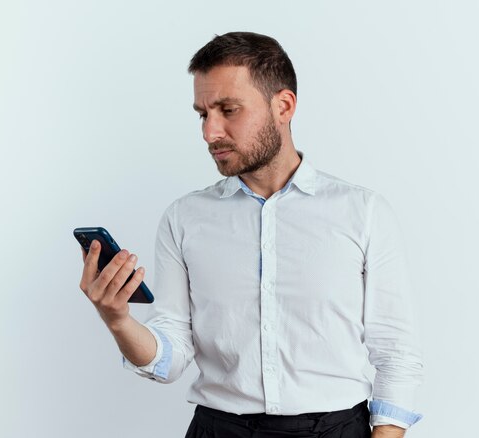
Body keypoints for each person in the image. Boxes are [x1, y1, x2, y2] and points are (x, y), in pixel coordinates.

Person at [79, 31, 423, 438]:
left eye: (228, 109)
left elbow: (396, 352)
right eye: (203, 114)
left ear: (283, 105)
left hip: (335, 429)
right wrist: (117, 319)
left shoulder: (362, 213)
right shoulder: (185, 218)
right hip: (218, 429)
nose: (210, 132)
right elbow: (169, 359)